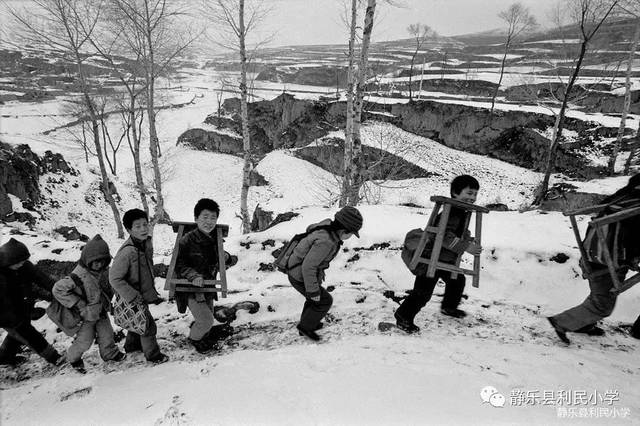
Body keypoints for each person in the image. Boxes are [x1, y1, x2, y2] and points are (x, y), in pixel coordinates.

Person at [548, 174, 640, 344]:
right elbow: (634, 237)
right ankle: (562, 322)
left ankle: (584, 324)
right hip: (607, 259)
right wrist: (633, 257)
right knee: (602, 305)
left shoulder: (624, 196)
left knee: (600, 293)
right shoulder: (635, 207)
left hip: (592, 252)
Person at [394, 175, 483, 333]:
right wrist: (465, 246)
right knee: (423, 292)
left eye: (475, 194)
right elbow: (444, 236)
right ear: (455, 193)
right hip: (432, 259)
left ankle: (449, 307)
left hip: (445, 259)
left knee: (457, 281)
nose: (473, 197)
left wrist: (468, 239)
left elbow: (460, 232)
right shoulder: (451, 213)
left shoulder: (461, 212)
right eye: (469, 193)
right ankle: (403, 315)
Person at [286, 206, 363, 341]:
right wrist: (313, 290)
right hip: (300, 276)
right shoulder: (326, 241)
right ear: (344, 230)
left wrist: (313, 291)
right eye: (351, 233)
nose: (350, 237)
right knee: (324, 301)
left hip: (297, 273)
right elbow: (308, 267)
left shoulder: (328, 230)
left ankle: (309, 322)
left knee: (314, 299)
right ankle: (305, 327)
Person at [53, 235, 125, 373]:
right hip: (86, 315)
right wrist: (78, 303)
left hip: (101, 311)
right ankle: (73, 358)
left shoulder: (103, 272)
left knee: (107, 334)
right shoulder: (78, 275)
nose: (99, 265)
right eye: (96, 262)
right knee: (85, 340)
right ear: (87, 260)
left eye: (103, 261)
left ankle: (110, 354)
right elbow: (58, 289)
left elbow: (109, 287)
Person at [175, 199, 238, 353]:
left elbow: (224, 261)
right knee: (206, 320)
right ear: (196, 218)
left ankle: (205, 336)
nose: (209, 221)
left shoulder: (215, 240)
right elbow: (179, 264)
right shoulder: (187, 240)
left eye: (213, 218)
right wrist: (193, 276)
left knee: (207, 317)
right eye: (205, 217)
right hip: (190, 288)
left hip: (208, 287)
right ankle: (195, 339)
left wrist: (227, 257)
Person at [109, 209, 168, 363]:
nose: (143, 229)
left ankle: (132, 346)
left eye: (145, 224)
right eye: (137, 226)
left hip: (141, 294)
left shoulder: (144, 243)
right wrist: (133, 295)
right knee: (148, 327)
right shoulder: (127, 252)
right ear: (129, 230)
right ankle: (153, 356)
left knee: (138, 322)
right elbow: (114, 278)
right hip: (133, 296)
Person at [0, 238, 65, 367]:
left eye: (24, 261)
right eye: (18, 262)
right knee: (29, 335)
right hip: (5, 313)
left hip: (22, 307)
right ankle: (54, 357)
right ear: (8, 261)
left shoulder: (25, 266)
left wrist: (60, 291)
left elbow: (43, 280)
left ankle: (4, 357)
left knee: (17, 335)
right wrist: (16, 321)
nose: (21, 264)